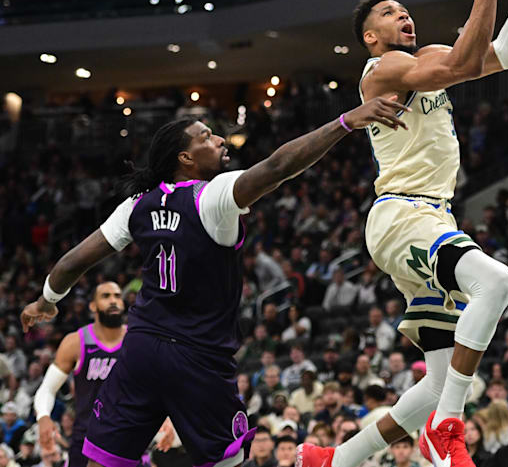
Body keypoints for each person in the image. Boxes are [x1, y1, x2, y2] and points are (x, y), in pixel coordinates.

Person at [19, 97, 408, 467]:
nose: (220, 139)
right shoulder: (212, 196)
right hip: (197, 357)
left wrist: (46, 301)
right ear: (185, 158)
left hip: (140, 351)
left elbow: (72, 262)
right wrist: (345, 122)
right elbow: (278, 167)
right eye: (206, 136)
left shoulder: (136, 204)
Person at [298, 0, 508, 467]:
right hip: (402, 215)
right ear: (370, 37)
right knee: (496, 282)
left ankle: (338, 459)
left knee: (439, 379)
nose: (404, 16)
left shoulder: (426, 58)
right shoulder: (383, 69)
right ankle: (446, 427)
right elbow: (461, 67)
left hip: (432, 216)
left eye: (405, 10)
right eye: (390, 13)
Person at [33, 282, 134, 467]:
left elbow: (160, 385)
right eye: (106, 296)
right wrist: (44, 417)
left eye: (117, 296)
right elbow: (47, 389)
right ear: (93, 306)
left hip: (129, 438)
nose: (113, 301)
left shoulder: (136, 340)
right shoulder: (75, 342)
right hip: (86, 439)